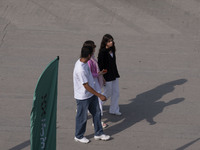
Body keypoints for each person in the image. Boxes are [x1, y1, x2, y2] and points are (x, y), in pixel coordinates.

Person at [73, 45, 110, 144]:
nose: (93, 54)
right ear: (89, 55)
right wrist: (99, 95)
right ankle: (78, 136)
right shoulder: (80, 69)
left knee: (97, 113)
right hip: (83, 96)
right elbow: (86, 86)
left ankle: (98, 133)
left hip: (90, 94)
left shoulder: (85, 62)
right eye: (92, 53)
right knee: (82, 117)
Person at [83, 40, 108, 128]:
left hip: (95, 82)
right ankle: (97, 122)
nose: (95, 49)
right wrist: (99, 74)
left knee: (90, 101)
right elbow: (90, 73)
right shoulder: (89, 61)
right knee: (97, 102)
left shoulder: (92, 58)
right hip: (93, 83)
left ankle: (86, 113)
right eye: (93, 47)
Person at [98, 34, 121, 115]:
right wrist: (103, 77)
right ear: (105, 42)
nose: (111, 42)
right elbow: (100, 66)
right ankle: (96, 106)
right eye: (109, 41)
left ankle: (114, 109)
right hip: (107, 75)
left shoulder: (112, 49)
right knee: (108, 93)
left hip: (114, 74)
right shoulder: (102, 52)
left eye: (112, 40)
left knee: (116, 92)